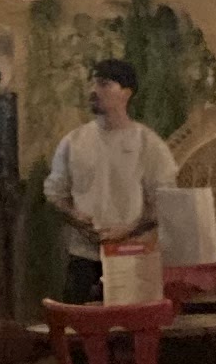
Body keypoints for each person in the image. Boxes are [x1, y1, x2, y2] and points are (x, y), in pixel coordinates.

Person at [45, 58, 178, 303]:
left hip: (132, 256)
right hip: (83, 257)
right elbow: (55, 193)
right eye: (93, 83)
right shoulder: (74, 141)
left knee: (129, 323)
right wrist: (75, 216)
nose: (94, 91)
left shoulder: (148, 144)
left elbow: (165, 201)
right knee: (78, 322)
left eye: (104, 84)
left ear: (126, 93)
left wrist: (127, 230)